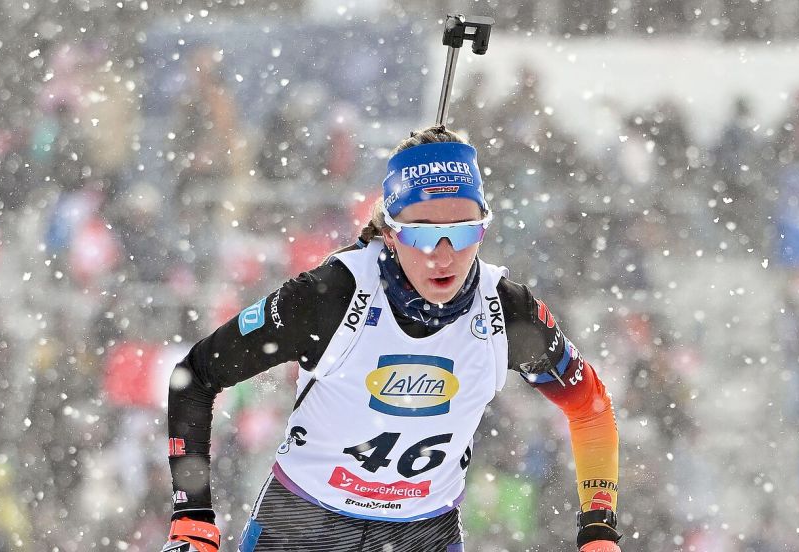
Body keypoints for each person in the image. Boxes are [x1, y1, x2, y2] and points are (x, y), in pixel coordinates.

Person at [163, 125, 623, 552]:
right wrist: (192, 516)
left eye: (462, 232)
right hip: (303, 525)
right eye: (422, 235)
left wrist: (598, 528)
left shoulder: (506, 310)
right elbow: (197, 375)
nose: (444, 256)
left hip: (422, 533)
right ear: (390, 231)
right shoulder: (332, 297)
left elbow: (590, 407)